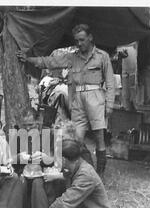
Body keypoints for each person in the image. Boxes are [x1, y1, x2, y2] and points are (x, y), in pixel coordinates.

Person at [17, 24, 115, 178]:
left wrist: (109, 104)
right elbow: (50, 61)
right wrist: (28, 59)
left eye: (82, 40)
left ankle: (100, 174)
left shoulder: (102, 56)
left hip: (96, 97)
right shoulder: (72, 57)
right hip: (77, 100)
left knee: (99, 137)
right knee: (77, 138)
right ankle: (78, 172)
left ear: (90, 38)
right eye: (77, 41)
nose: (79, 43)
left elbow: (110, 82)